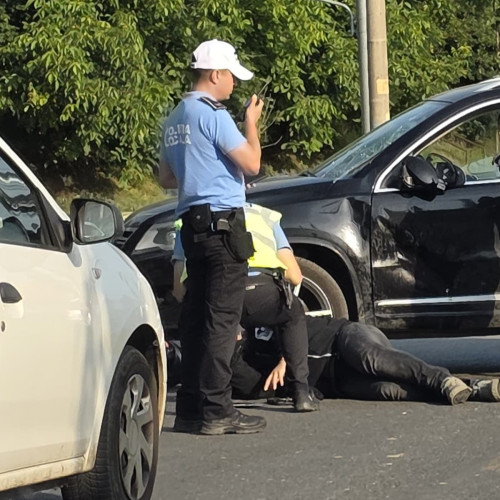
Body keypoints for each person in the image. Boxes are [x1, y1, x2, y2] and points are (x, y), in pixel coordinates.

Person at [158, 39, 265, 436]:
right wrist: (250, 123)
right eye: (232, 76)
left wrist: (201, 171)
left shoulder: (175, 116)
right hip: (222, 226)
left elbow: (166, 177)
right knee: (222, 320)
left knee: (195, 319)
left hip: (192, 228)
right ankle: (218, 408)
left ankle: (189, 409)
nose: (234, 84)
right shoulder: (213, 114)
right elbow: (252, 164)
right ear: (215, 74)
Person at [172, 203, 320, 413]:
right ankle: (301, 391)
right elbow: (295, 276)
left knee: (204, 327)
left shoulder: (189, 219)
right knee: (292, 312)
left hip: (215, 294)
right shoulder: (265, 215)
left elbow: (179, 290)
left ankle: (204, 394)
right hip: (261, 291)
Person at [230, 315, 500, 405]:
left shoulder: (256, 316)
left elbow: (293, 315)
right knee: (388, 390)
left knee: (371, 359)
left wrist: (286, 356)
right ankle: (473, 389)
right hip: (337, 381)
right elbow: (260, 389)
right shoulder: (234, 364)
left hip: (344, 336)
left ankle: (442, 379)